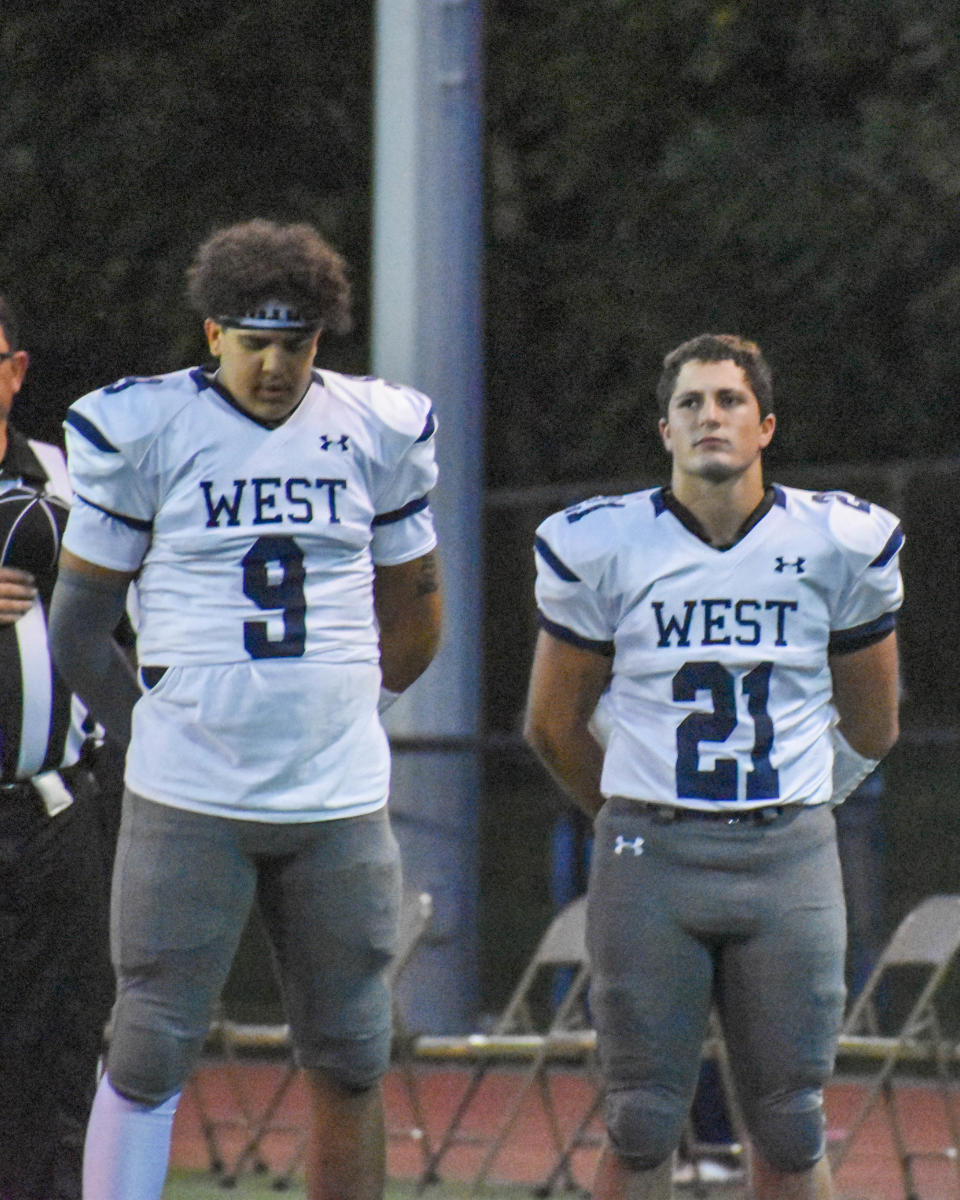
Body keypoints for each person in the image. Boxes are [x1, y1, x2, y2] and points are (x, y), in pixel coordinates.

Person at [47, 219, 444, 1200]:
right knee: (146, 1048)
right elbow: (78, 630)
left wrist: (353, 703)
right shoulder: (147, 428)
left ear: (323, 340)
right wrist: (156, 735)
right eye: (253, 339)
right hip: (192, 794)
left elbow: (419, 610)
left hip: (336, 798)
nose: (274, 364)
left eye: (296, 342)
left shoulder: (375, 427)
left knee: (352, 1056)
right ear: (212, 332)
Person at [523, 333, 903, 1200]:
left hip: (786, 858)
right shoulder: (607, 543)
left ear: (765, 424)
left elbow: (873, 724)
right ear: (664, 429)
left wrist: (801, 806)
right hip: (652, 855)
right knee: (641, 1119)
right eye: (691, 403)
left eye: (729, 400)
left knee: (792, 1124)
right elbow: (553, 725)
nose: (710, 417)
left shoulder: (836, 540)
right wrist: (631, 810)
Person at [0, 294, 116, 1200]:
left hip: (55, 807)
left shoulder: (67, 476)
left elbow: (134, 627)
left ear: (14, 370)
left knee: (57, 1057)